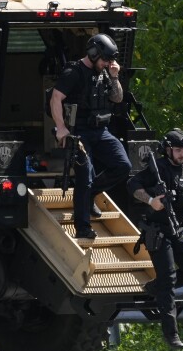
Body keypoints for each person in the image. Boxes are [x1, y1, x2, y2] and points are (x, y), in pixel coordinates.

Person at [50, 33, 132, 239]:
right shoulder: (74, 72)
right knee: (84, 177)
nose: (107, 64)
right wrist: (61, 127)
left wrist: (114, 77)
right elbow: (55, 98)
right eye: (105, 60)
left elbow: (118, 98)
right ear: (94, 54)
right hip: (79, 133)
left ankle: (90, 194)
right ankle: (83, 227)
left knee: (123, 165)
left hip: (101, 131)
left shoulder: (105, 72)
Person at [126, 129, 183, 350]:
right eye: (178, 150)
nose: (181, 154)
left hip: (178, 229)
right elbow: (132, 185)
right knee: (168, 279)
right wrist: (151, 200)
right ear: (168, 150)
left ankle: (155, 288)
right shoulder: (157, 167)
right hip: (157, 230)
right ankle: (172, 334)